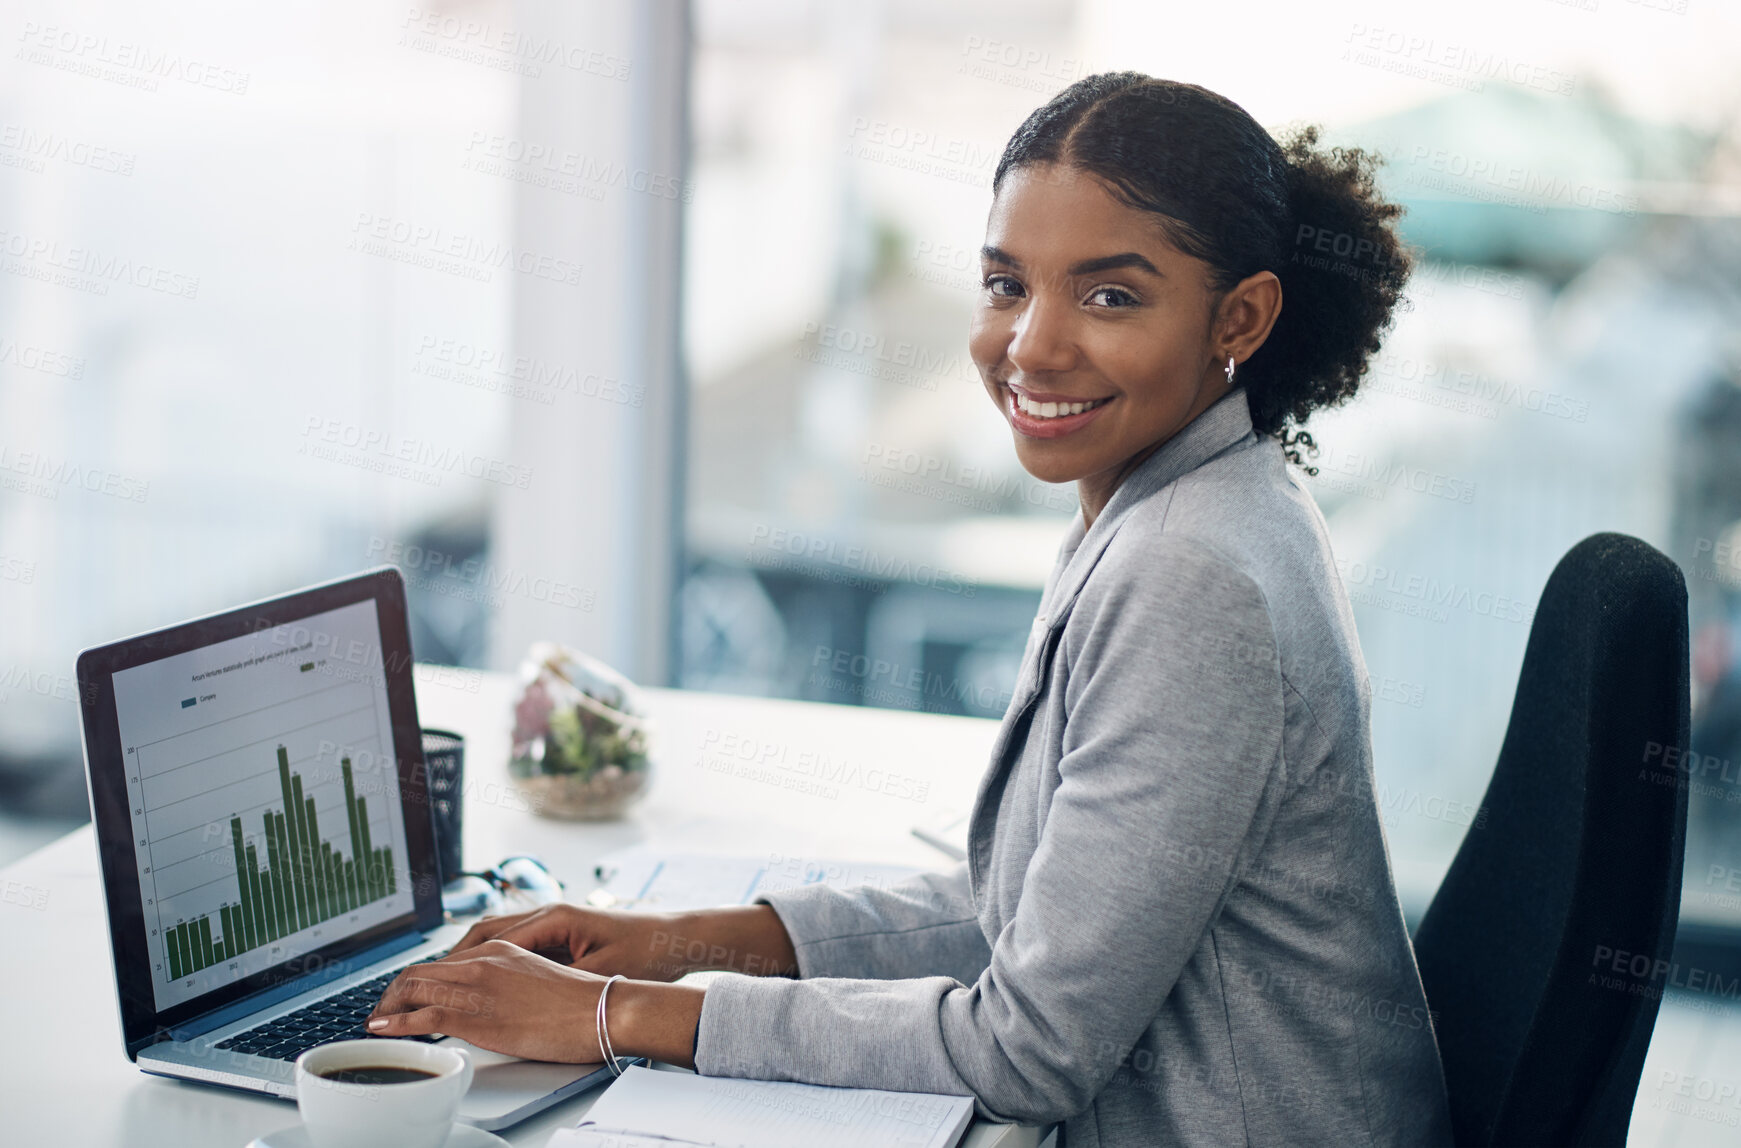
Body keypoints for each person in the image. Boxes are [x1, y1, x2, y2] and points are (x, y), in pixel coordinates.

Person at [370, 72, 1455, 1146]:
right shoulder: (1191, 499)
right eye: (1004, 283)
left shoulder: (1190, 573)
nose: (1031, 344)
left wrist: (617, 1019)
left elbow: (1027, 1045)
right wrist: (664, 942)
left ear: (1242, 316)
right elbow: (1016, 904)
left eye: (1109, 295)